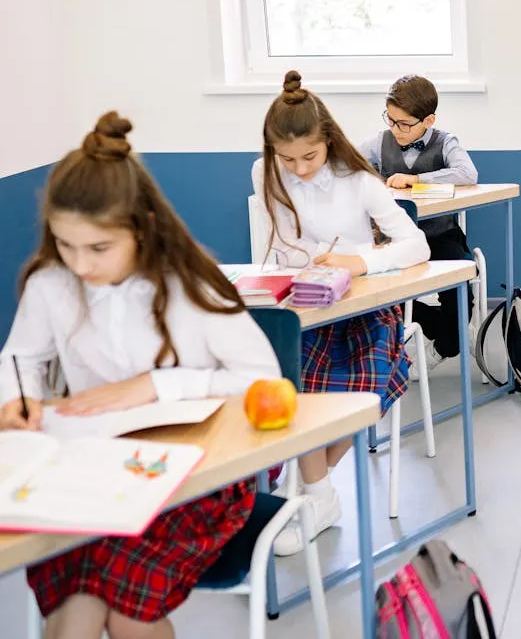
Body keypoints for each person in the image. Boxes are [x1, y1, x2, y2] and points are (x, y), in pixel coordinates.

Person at [0, 112, 281, 639]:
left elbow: (260, 376)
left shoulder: (189, 285)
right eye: (65, 245)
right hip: (89, 476)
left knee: (128, 616)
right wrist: (17, 398)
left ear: (143, 228)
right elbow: (20, 359)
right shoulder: (51, 284)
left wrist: (155, 385)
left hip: (195, 480)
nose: (80, 264)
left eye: (99, 248)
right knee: (72, 613)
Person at [254, 71, 429, 554]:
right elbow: (281, 247)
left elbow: (417, 245)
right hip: (304, 305)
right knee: (292, 381)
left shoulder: (360, 182)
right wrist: (299, 263)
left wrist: (360, 261)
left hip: (364, 309)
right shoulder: (267, 172)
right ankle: (316, 492)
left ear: (328, 141)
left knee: (355, 389)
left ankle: (312, 487)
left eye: (309, 156)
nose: (300, 169)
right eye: (286, 159)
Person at [360, 74, 478, 366]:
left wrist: (415, 179)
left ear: (428, 121)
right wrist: (377, 181)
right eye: (391, 120)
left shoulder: (445, 141)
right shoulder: (381, 142)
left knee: (460, 287)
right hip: (399, 242)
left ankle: (450, 341)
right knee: (385, 294)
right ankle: (450, 335)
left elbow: (467, 174)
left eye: (404, 124)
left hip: (441, 234)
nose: (396, 129)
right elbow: (350, 164)